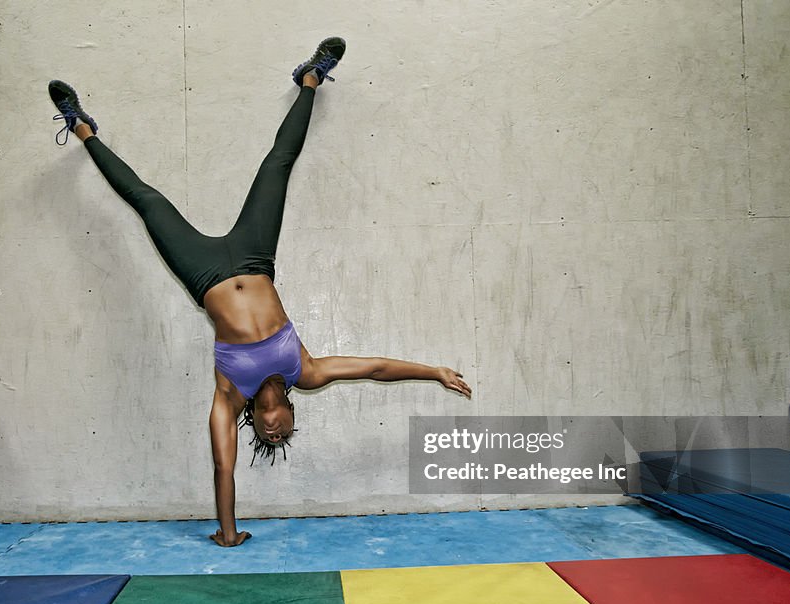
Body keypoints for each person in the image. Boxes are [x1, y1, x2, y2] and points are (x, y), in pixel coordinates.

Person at [49, 38, 472, 547]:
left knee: (146, 200)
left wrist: (228, 534)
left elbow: (224, 466)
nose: (275, 431)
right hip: (254, 257)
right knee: (277, 166)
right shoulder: (306, 371)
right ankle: (310, 79)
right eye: (283, 433)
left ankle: (83, 129)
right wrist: (434, 371)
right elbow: (377, 369)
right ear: (291, 414)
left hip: (202, 273)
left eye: (268, 436)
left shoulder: (230, 397)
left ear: (257, 420)